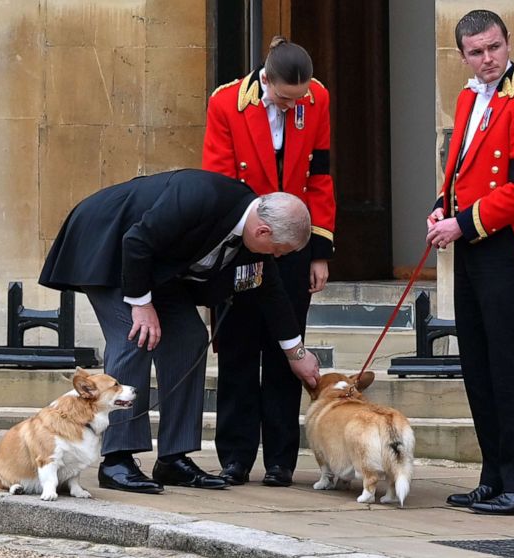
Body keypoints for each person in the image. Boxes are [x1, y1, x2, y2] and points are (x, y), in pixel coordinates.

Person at [39, 169, 321, 495]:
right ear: (263, 231)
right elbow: (137, 240)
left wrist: (295, 353)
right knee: (136, 336)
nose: (276, 256)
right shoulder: (202, 196)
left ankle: (174, 457)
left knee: (190, 336)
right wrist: (142, 306)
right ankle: (117, 459)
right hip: (108, 245)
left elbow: (270, 291)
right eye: (278, 250)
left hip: (157, 269)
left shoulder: (251, 237)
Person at [425, 10, 514, 516]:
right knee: (478, 367)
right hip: (473, 247)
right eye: (476, 51)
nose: (487, 59)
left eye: (494, 48)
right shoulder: (466, 98)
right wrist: (443, 205)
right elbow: (460, 167)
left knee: (510, 370)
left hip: (508, 251)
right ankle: (495, 475)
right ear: (462, 55)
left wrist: (462, 222)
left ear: (507, 44)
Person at [202, 36, 335, 488]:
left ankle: (281, 460)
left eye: (298, 98)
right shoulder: (225, 103)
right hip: (246, 236)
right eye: (283, 97)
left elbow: (320, 176)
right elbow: (218, 182)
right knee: (239, 348)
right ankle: (235, 457)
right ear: (266, 79)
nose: (291, 104)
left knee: (286, 351)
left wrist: (319, 251)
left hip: (294, 241)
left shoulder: (316, 99)